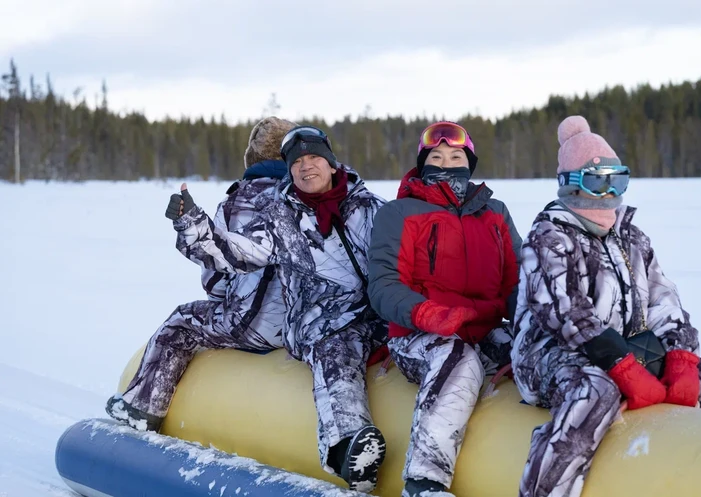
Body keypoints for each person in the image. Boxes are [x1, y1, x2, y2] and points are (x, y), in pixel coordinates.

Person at [114, 125, 389, 492]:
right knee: (333, 352)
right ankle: (349, 450)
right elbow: (237, 252)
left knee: (182, 320)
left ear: (332, 162)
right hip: (320, 322)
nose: (306, 166)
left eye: (314, 157)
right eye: (297, 161)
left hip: (333, 318)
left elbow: (216, 281)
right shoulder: (282, 216)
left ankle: (142, 407)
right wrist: (192, 224)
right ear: (287, 168)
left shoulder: (368, 207)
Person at [510, 115, 701, 497]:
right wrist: (621, 366)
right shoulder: (549, 236)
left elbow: (663, 298)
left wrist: (681, 358)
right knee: (595, 394)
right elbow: (563, 312)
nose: (609, 192)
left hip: (630, 351)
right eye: (597, 181)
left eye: (617, 180)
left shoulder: (631, 237)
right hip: (551, 354)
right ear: (570, 183)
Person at [106, 116, 295, 431]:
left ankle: (142, 408)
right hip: (299, 327)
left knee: (180, 322)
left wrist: (222, 303)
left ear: (253, 157)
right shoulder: (306, 199)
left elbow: (216, 274)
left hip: (253, 324)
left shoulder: (239, 200)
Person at [367, 121, 522, 497]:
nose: (446, 164)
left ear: (469, 164)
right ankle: (424, 481)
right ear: (422, 165)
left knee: (535, 352)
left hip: (484, 329)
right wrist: (425, 313)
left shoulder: (495, 213)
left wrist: (538, 323)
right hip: (419, 334)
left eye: (455, 157)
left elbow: (518, 282)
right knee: (458, 359)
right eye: (436, 157)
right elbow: (383, 285)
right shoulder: (399, 213)